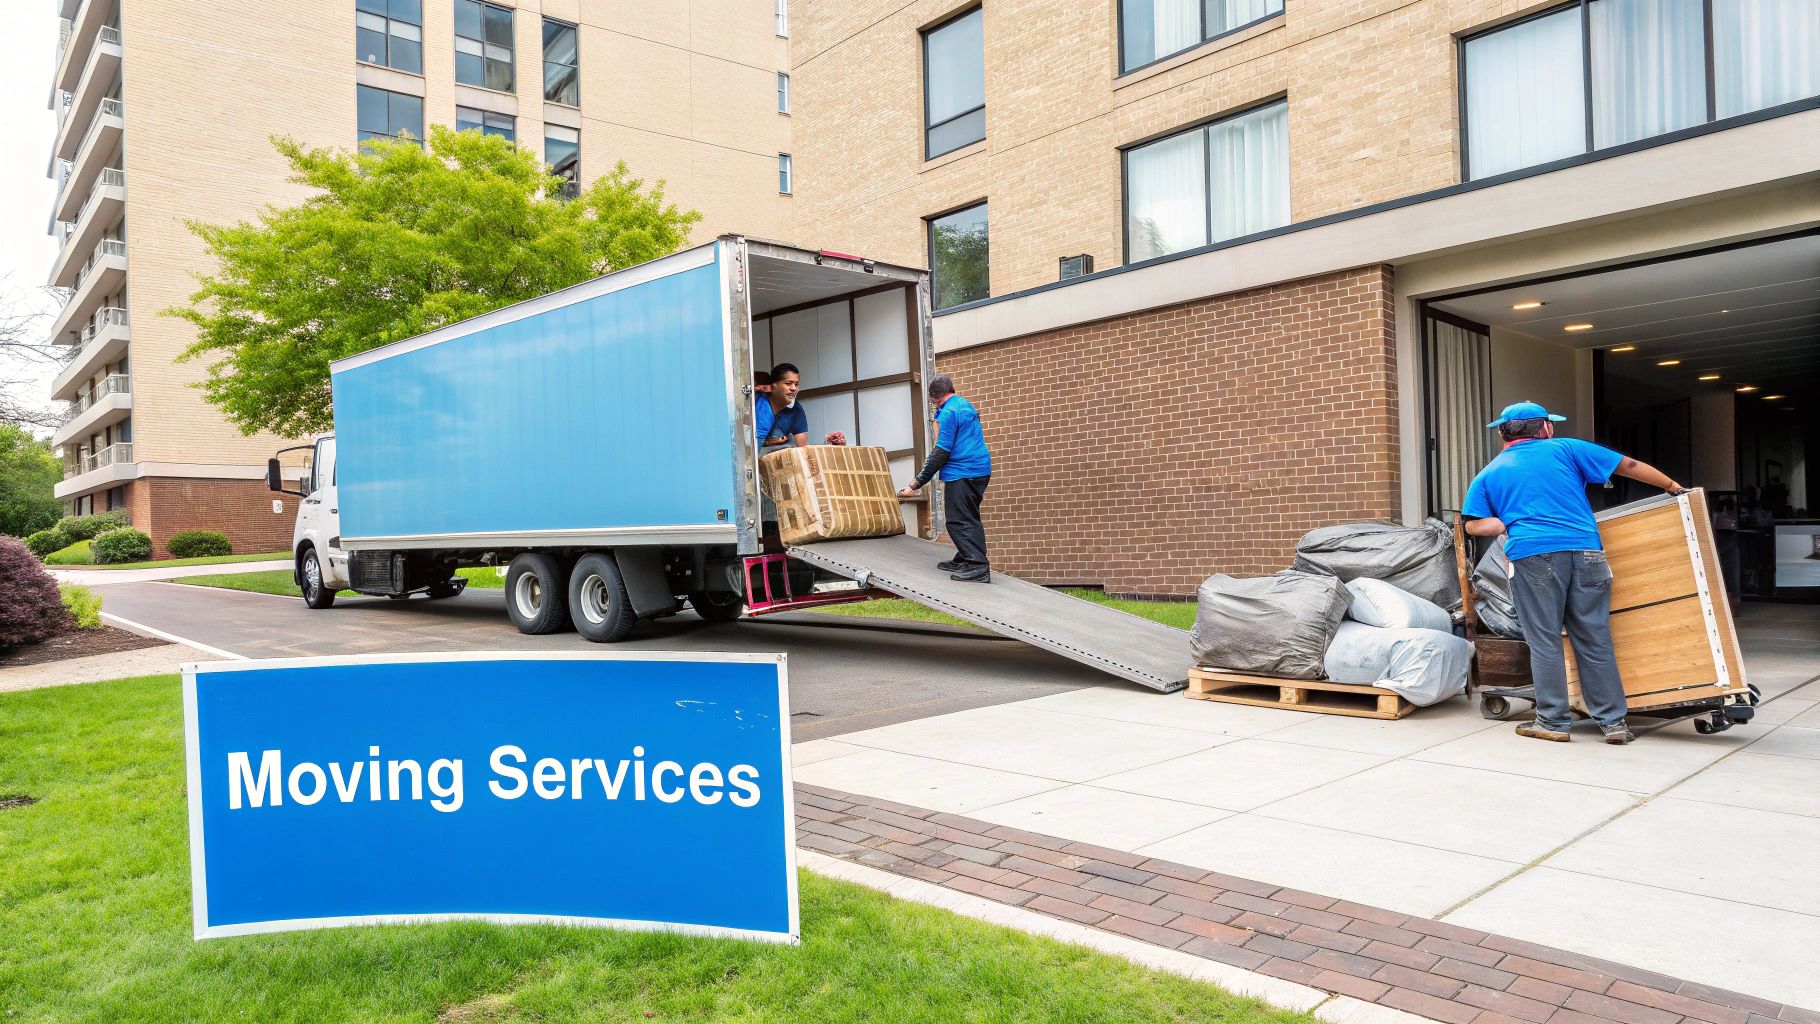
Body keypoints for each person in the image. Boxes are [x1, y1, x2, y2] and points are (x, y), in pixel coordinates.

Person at [1462, 402, 1684, 745]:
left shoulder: (1489, 472)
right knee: (1594, 637)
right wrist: (1672, 486)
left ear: (1503, 433)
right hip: (1586, 552)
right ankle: (1614, 723)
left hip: (1532, 555)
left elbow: (1474, 524)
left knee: (1545, 640)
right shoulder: (1568, 449)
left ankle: (1553, 722)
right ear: (1545, 428)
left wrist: (1502, 523)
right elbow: (1629, 465)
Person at [898, 374, 992, 582]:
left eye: (932, 402)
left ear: (935, 398)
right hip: (979, 471)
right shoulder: (963, 404)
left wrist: (915, 484)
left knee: (958, 521)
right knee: (969, 517)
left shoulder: (948, 412)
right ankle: (965, 558)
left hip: (964, 472)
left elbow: (941, 451)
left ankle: (978, 566)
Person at [757, 362, 845, 454]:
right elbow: (751, 452)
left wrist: (831, 447)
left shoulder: (796, 409)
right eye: (788, 383)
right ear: (772, 387)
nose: (794, 388)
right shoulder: (760, 407)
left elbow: (803, 449)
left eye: (797, 384)